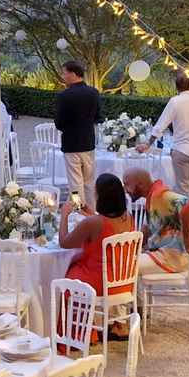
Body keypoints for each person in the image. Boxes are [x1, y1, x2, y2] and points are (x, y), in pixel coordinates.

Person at [60, 173, 137, 299]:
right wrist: (91, 214)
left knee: (61, 275)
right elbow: (106, 227)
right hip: (124, 281)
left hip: (98, 283)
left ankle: (75, 317)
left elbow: (64, 243)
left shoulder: (93, 223)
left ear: (101, 197)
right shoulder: (128, 216)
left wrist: (64, 215)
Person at [123, 169, 189, 280]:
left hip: (171, 258)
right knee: (121, 263)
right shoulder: (151, 197)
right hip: (166, 255)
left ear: (140, 184)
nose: (125, 189)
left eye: (127, 184)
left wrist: (187, 236)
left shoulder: (159, 196)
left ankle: (133, 298)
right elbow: (146, 231)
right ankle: (137, 298)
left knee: (120, 268)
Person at [54, 60, 102, 202]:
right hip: (88, 142)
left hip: (71, 144)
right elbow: (98, 117)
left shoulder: (64, 96)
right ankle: (91, 212)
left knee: (75, 183)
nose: (63, 76)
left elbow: (59, 123)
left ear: (73, 74)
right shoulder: (94, 93)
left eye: (65, 73)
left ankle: (78, 210)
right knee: (89, 181)